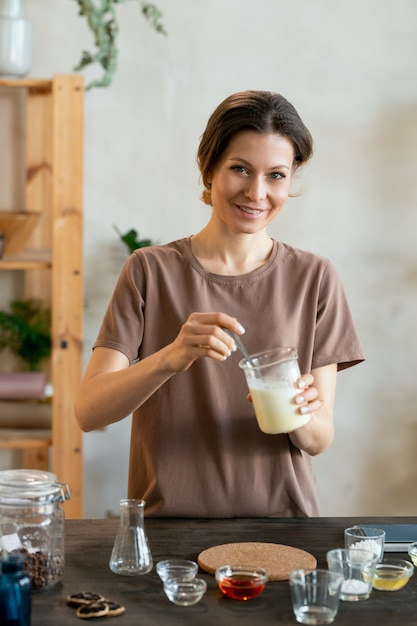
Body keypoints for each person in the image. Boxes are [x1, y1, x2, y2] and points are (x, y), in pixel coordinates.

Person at [75, 90, 364, 518]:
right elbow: (88, 411)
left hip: (284, 531)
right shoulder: (150, 271)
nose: (256, 192)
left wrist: (302, 414)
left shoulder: (315, 278)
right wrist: (169, 357)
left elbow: (320, 440)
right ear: (209, 169)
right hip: (169, 533)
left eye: (277, 175)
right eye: (240, 169)